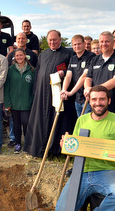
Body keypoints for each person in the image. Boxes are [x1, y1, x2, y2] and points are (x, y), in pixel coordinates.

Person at [55, 86, 115, 211]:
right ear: (89, 101)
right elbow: (77, 149)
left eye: (102, 99)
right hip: (81, 171)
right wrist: (67, 146)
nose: (98, 103)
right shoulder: (82, 120)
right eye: (94, 99)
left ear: (109, 101)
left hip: (107, 172)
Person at [24, 30, 76, 158]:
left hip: (58, 94)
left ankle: (55, 150)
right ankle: (39, 148)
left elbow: (73, 71)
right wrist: (36, 91)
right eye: (50, 40)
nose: (52, 42)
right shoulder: (43, 54)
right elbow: (38, 73)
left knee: (58, 121)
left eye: (55, 39)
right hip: (42, 94)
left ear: (60, 39)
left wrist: (64, 73)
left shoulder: (68, 53)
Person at [84, 31, 115, 116]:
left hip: (114, 106)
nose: (104, 44)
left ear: (113, 42)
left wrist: (95, 91)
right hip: (95, 106)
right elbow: (88, 77)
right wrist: (87, 88)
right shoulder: (94, 59)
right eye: (101, 42)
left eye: (107, 41)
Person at [4, 49, 35, 153]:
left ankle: (27, 144)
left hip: (27, 103)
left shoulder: (31, 70)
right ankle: (17, 144)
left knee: (26, 123)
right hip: (14, 103)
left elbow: (34, 88)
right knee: (16, 125)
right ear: (14, 57)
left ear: (25, 55)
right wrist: (7, 102)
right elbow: (7, 87)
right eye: (17, 55)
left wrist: (33, 101)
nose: (19, 57)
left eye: (21, 55)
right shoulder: (11, 70)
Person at [61, 35, 95, 117]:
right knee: (80, 123)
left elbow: (84, 76)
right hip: (77, 98)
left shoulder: (91, 56)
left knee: (87, 124)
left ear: (84, 44)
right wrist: (64, 90)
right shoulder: (73, 58)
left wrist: (71, 92)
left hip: (87, 97)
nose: (77, 46)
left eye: (79, 44)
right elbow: (68, 76)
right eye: (74, 45)